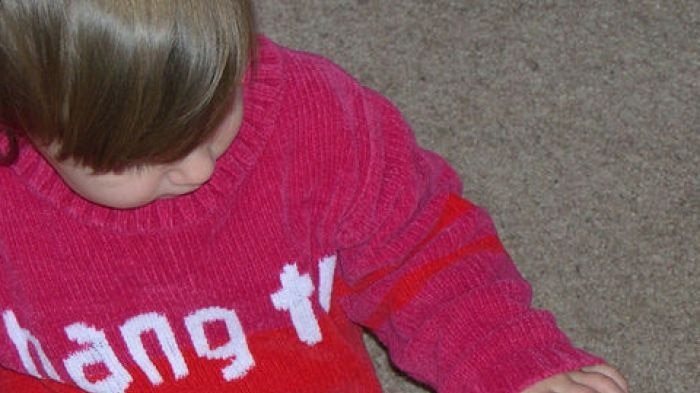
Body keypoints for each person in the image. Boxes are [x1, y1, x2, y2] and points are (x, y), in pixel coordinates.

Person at [0, 1, 629, 392]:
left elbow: (421, 248)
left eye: (219, 103)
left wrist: (508, 361)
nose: (196, 168)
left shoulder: (316, 119)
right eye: (138, 156)